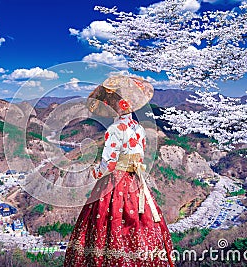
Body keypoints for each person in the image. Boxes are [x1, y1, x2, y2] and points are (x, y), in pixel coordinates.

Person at [64, 76, 175, 267]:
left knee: (106, 224)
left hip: (114, 182)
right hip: (136, 182)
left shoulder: (115, 129)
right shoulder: (139, 128)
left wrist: (95, 173)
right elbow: (140, 156)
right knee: (141, 224)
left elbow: (109, 163)